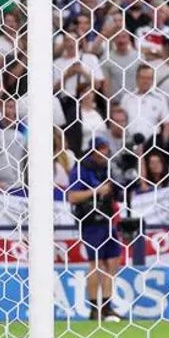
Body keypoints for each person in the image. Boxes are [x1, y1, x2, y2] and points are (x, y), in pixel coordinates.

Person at [66, 134, 122, 322]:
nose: (105, 152)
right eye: (101, 148)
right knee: (96, 264)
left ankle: (107, 308)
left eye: (106, 148)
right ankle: (94, 309)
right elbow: (72, 197)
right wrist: (96, 191)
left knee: (112, 262)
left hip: (108, 219)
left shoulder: (107, 168)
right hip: (91, 221)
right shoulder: (81, 169)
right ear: (93, 150)